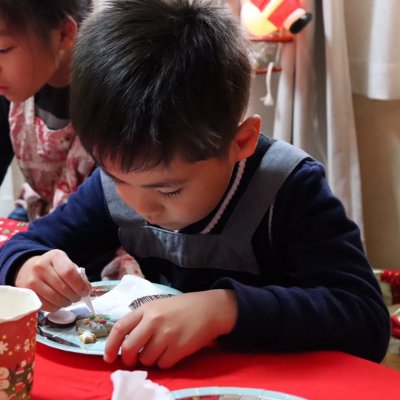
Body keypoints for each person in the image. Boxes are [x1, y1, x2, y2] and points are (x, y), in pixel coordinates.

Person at [0, 0, 390, 369]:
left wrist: (225, 309)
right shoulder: (114, 188)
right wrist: (27, 266)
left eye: (169, 190)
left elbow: (366, 320)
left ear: (240, 142)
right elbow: (22, 246)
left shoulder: (288, 189)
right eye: (117, 178)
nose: (140, 206)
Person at [0, 0, 95, 221]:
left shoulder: (114, 98)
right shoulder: (10, 88)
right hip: (37, 212)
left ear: (63, 34)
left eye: (3, 49)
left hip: (95, 228)